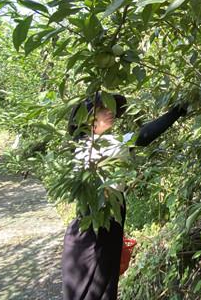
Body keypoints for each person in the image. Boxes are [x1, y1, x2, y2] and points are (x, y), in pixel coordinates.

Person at [61, 92, 188, 300]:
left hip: (94, 232)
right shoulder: (98, 145)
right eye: (102, 109)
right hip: (96, 234)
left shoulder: (88, 145)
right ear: (87, 119)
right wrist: (176, 111)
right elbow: (143, 136)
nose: (110, 112)